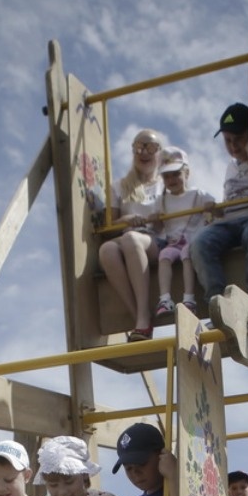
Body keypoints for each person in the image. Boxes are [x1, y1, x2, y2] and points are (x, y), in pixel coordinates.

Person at [190, 102, 248, 308]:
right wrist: (216, 209)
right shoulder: (229, 168)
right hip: (230, 222)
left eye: (239, 139)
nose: (233, 147)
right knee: (200, 241)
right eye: (228, 141)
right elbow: (230, 204)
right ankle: (217, 301)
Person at [98, 128, 164, 343]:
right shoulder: (119, 186)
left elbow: (180, 218)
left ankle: (144, 315)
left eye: (150, 147)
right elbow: (110, 227)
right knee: (107, 249)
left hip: (157, 239)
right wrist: (126, 221)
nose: (144, 152)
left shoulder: (166, 183)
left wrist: (160, 218)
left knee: (131, 239)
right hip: (128, 238)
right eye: (139, 147)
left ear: (158, 152)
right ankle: (139, 318)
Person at [148, 148, 215, 323]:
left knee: (187, 254)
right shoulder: (162, 201)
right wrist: (155, 220)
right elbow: (157, 227)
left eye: (175, 174)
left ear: (186, 173)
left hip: (191, 241)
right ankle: (165, 298)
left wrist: (211, 207)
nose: (171, 180)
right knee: (164, 255)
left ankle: (189, 298)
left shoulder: (197, 195)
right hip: (173, 243)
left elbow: (214, 207)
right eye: (166, 176)